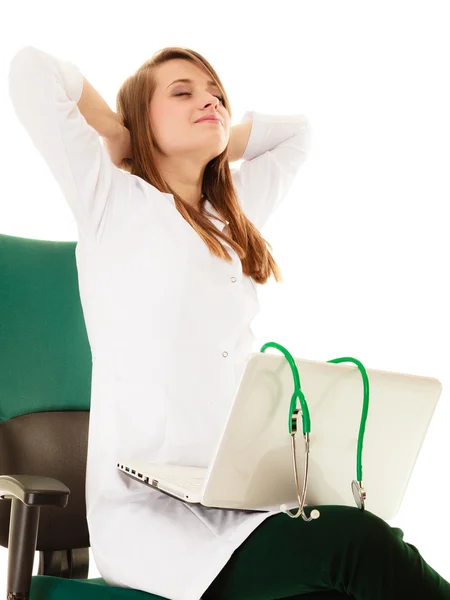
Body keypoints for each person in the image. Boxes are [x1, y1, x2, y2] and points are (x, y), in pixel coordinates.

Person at [8, 44, 450, 600]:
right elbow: (31, 71)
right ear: (144, 116)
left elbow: (298, 134)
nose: (210, 100)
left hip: (242, 499)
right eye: (183, 92)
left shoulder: (231, 216)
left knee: (364, 554)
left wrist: (216, 137)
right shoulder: (111, 201)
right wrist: (122, 134)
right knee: (358, 546)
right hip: (154, 523)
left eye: (217, 93)